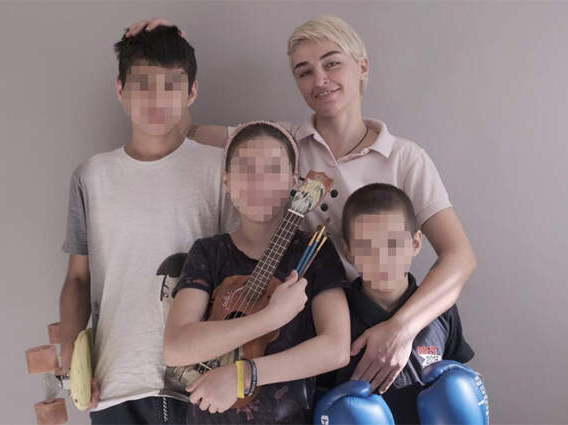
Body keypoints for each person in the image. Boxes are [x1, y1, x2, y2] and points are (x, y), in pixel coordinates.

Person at [126, 14, 477, 394]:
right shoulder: (282, 144)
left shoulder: (406, 158)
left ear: (362, 67)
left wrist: (400, 329)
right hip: (301, 331)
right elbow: (180, 130)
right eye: (304, 71)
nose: (320, 80)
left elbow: (459, 257)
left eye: (332, 63)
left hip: (386, 318)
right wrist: (169, 51)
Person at [59, 25, 236, 424]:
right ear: (120, 89)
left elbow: (242, 266)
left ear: (192, 92)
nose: (157, 99)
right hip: (114, 382)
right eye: (142, 85)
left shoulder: (220, 170)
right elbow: (77, 278)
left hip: (204, 381)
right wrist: (71, 351)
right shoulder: (91, 176)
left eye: (172, 86)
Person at [163, 121, 351, 424]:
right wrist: (269, 318)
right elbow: (176, 348)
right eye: (246, 169)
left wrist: (245, 374)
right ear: (226, 180)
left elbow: (336, 348)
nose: (259, 182)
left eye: (273, 170)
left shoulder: (314, 251)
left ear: (293, 180)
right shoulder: (209, 252)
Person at [315, 183, 475, 424]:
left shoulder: (440, 310)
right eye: (366, 246)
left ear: (415, 243)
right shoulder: (336, 316)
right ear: (348, 251)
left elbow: (462, 385)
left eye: (393, 244)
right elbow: (318, 399)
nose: (381, 259)